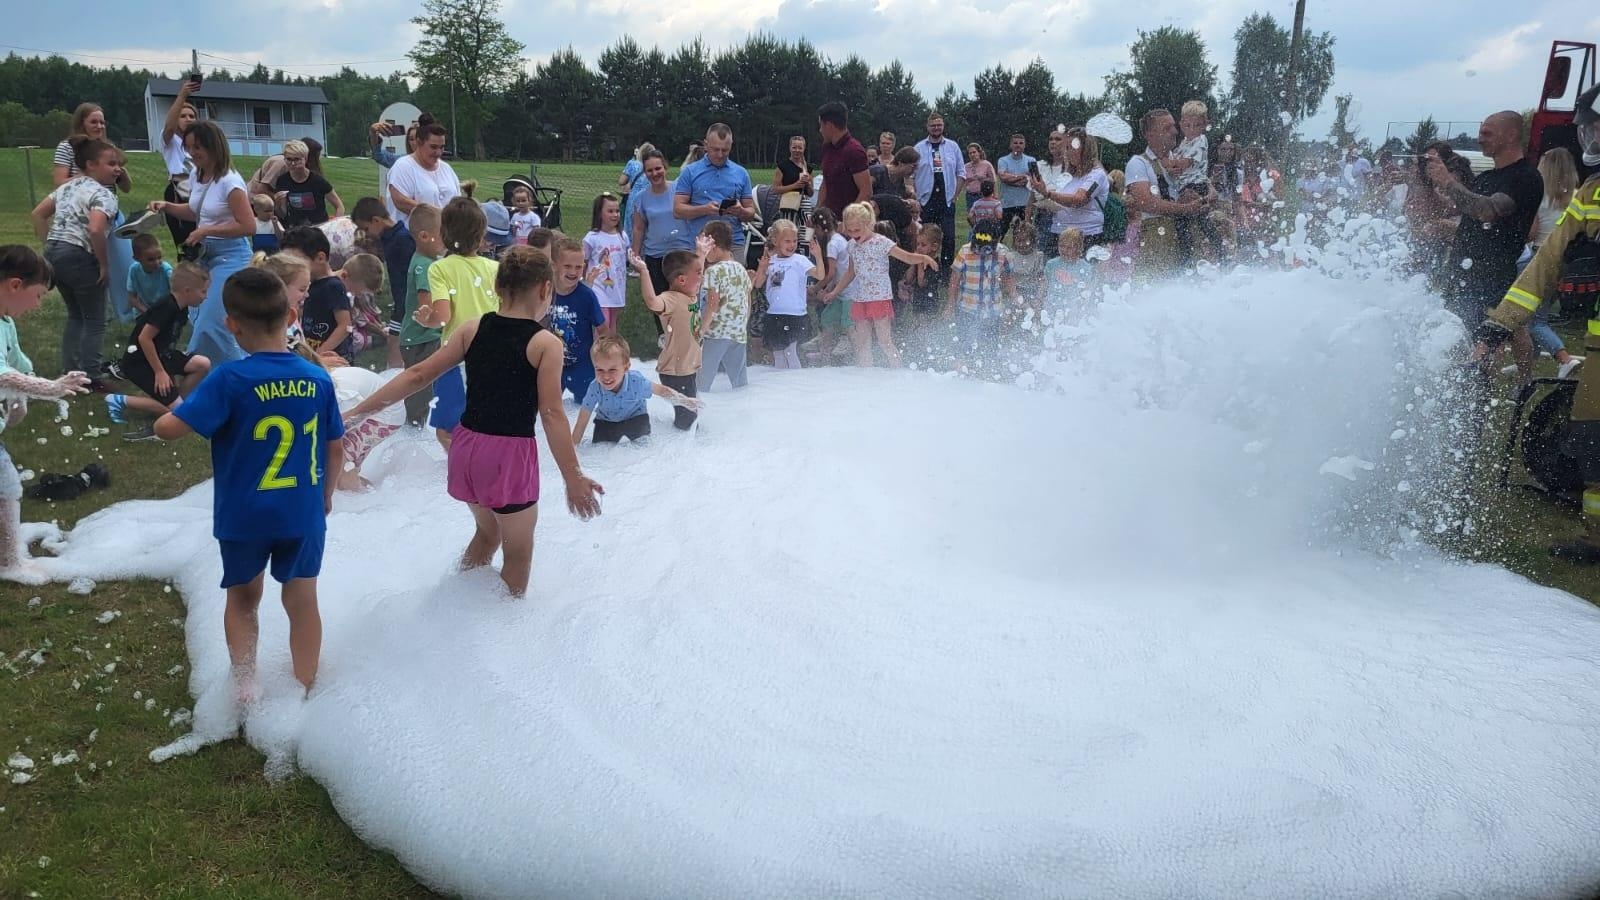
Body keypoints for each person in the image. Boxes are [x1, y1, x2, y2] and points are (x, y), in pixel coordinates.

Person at [344, 246, 604, 596]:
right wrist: (573, 477)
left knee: (487, 533)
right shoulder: (545, 343)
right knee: (518, 554)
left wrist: (356, 413)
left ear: (498, 287)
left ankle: (455, 604)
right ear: (545, 289)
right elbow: (553, 413)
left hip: (466, 448)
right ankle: (502, 631)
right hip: (509, 456)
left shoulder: (472, 328)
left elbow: (418, 374)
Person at [154, 267, 345, 697]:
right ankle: (306, 684)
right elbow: (335, 446)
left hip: (244, 512)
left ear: (232, 325)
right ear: (291, 313)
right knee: (302, 601)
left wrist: (169, 409)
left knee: (243, 599)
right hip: (302, 510)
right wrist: (326, 495)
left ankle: (244, 686)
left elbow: (169, 429)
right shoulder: (317, 378)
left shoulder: (228, 379)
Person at [1473, 83, 1600, 561]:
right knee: (1591, 437)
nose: (1592, 137)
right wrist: (1499, 324)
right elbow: (1544, 264)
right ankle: (1596, 539)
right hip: (1597, 348)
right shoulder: (1591, 191)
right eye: (1590, 128)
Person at [0, 246, 94, 584]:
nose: (38, 305)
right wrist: (51, 389)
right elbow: (3, 375)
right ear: (14, 285)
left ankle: (8, 558)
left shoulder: (5, 321)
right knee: (7, 486)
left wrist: (24, 395)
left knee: (7, 487)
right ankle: (9, 562)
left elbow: (20, 366)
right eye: (37, 296)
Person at [146, 120, 255, 365]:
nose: (192, 154)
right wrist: (167, 207)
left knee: (211, 320)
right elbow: (196, 210)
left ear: (213, 147)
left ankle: (212, 370)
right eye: (188, 147)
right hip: (204, 256)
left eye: (197, 148)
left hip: (231, 256)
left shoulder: (231, 182)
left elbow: (248, 226)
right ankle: (208, 369)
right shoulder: (198, 174)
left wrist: (207, 230)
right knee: (197, 315)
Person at [1428, 111, 1544, 335]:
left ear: (1511, 135)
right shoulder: (1485, 178)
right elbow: (1473, 220)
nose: (1480, 138)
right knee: (1453, 341)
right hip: (1461, 274)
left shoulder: (1525, 177)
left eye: (1487, 133)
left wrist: (1449, 183)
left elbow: (1487, 211)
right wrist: (1445, 225)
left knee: (1472, 346)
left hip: (1488, 281)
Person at [31, 136, 124, 379]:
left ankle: (71, 369)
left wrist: (49, 245)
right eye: (111, 163)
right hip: (80, 257)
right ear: (91, 164)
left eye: (119, 164)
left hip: (54, 252)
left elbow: (38, 214)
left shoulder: (66, 187)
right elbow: (95, 229)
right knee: (95, 319)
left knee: (75, 314)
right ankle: (92, 375)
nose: (118, 169)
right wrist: (103, 264)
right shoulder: (104, 194)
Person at [413, 197, 499, 448]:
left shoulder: (440, 268)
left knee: (447, 430)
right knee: (487, 424)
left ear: (443, 233)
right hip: (494, 356)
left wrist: (426, 320)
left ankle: (465, 475)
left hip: (456, 357)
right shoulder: (495, 268)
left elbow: (443, 317)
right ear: (482, 233)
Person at [104, 262, 212, 438]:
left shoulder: (182, 308)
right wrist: (160, 372)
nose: (205, 297)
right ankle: (120, 400)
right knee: (181, 416)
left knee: (202, 364)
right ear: (187, 290)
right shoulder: (166, 307)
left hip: (163, 354)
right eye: (203, 291)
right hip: (140, 362)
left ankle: (177, 403)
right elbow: (144, 338)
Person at [824, 202, 937, 368]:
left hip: (879, 297)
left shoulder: (881, 242)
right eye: (850, 230)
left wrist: (924, 258)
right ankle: (866, 374)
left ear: (868, 223)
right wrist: (835, 292)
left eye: (857, 230)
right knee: (863, 343)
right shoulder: (852, 246)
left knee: (884, 341)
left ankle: (898, 371)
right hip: (861, 298)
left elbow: (906, 257)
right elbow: (850, 272)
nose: (854, 234)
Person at [52, 103, 135, 325]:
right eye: (93, 121)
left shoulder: (108, 147)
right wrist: (89, 175)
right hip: (83, 215)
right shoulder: (68, 147)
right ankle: (98, 313)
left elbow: (126, 187)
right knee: (92, 265)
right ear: (81, 123)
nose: (99, 126)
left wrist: (120, 171)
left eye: (102, 121)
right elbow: (59, 181)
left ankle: (126, 312)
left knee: (124, 264)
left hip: (111, 213)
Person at [1124, 109, 1207, 281]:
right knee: (1153, 293)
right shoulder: (1138, 163)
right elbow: (1146, 202)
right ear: (1150, 134)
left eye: (1174, 127)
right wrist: (1185, 208)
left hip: (1189, 234)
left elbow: (1208, 186)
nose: (1175, 131)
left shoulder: (1184, 158)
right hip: (1158, 238)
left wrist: (1204, 198)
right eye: (1167, 128)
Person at [573, 335, 700, 445]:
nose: (605, 376)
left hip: (636, 418)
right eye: (599, 370)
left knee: (642, 446)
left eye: (612, 370)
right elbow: (582, 421)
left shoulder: (636, 381)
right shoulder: (595, 387)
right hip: (606, 420)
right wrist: (572, 449)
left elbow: (661, 391)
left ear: (626, 367)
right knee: (601, 449)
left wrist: (683, 400)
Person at [1523, 148, 1583, 379]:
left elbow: (1531, 233)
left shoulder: (1539, 195)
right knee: (1541, 313)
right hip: (1566, 260)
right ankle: (1530, 360)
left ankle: (1564, 358)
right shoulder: (1578, 196)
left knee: (1533, 320)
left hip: (1540, 256)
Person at [631, 248, 704, 430]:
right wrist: (644, 272)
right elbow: (651, 302)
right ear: (681, 280)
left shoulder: (690, 295)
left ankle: (689, 442)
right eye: (699, 274)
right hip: (675, 371)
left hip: (686, 368)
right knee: (688, 418)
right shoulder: (670, 299)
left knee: (690, 414)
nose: (702, 278)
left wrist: (701, 252)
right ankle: (679, 451)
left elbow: (693, 272)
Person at [674, 123, 757, 265]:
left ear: (731, 145)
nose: (720, 155)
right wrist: (704, 209)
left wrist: (740, 211)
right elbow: (678, 210)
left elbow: (751, 212)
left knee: (736, 286)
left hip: (733, 243)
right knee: (700, 286)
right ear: (706, 145)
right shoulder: (690, 172)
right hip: (702, 245)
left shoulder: (741, 173)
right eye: (715, 149)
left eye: (725, 150)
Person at [944, 218, 1017, 372]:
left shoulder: (1003, 253)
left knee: (989, 347)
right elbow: (954, 281)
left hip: (992, 310)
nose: (982, 251)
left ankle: (985, 375)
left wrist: (1014, 300)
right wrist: (949, 307)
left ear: (997, 240)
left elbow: (1008, 279)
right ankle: (961, 374)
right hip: (967, 308)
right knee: (963, 345)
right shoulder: (964, 251)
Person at [350, 196, 415, 369]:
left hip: (407, 303)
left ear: (376, 220)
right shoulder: (388, 238)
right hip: (401, 301)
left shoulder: (402, 240)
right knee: (396, 344)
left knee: (396, 346)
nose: (367, 233)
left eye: (366, 228)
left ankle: (395, 374)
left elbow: (411, 275)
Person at [630, 146, 689, 330]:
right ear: (645, 173)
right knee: (660, 302)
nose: (655, 173)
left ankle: (687, 338)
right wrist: (635, 254)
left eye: (658, 168)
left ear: (665, 167)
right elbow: (639, 228)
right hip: (656, 257)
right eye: (650, 170)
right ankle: (664, 337)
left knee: (685, 300)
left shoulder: (680, 190)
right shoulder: (641, 198)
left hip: (682, 256)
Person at [753, 219, 822, 371]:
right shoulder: (770, 261)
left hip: (795, 315)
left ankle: (796, 386)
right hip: (775, 314)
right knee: (778, 354)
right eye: (787, 241)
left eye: (795, 241)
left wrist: (818, 256)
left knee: (791, 352)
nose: (792, 245)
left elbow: (820, 275)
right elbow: (758, 284)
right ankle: (782, 388)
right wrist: (762, 268)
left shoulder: (800, 260)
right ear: (775, 241)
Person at [398, 203, 445, 426]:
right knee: (420, 391)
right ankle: (413, 430)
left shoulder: (425, 262)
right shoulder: (425, 266)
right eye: (442, 235)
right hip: (420, 338)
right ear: (425, 236)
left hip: (418, 337)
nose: (446, 239)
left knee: (423, 389)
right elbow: (426, 308)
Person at [279, 227, 353, 364]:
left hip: (334, 359)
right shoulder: (307, 284)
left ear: (320, 257)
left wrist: (317, 356)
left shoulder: (333, 286)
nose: (292, 267)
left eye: (297, 261)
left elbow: (345, 326)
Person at [549, 236, 607, 401]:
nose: (573, 272)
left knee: (585, 404)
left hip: (582, 363)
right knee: (549, 404)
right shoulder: (544, 291)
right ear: (554, 266)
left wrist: (604, 357)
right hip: (551, 362)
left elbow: (602, 329)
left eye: (578, 267)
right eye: (567, 266)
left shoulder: (586, 296)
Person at [697, 220, 752, 391]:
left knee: (702, 381)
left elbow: (712, 304)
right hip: (738, 331)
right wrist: (743, 324)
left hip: (717, 332)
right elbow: (748, 300)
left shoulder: (713, 271)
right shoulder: (741, 269)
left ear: (712, 246)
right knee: (740, 382)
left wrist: (701, 330)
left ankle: (698, 414)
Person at [388, 114, 462, 229]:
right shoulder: (403, 167)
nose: (438, 152)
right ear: (419, 142)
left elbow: (458, 201)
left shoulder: (446, 168)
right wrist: (442, 215)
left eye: (441, 147)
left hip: (445, 239)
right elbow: (401, 202)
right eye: (433, 147)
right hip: (412, 241)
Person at [913, 113, 962, 268]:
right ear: (927, 127)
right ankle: (925, 268)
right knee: (926, 237)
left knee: (948, 237)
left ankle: (946, 271)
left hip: (946, 200)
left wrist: (955, 196)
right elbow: (911, 175)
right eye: (933, 125)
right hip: (926, 200)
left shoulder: (952, 146)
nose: (936, 128)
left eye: (939, 125)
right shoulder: (919, 148)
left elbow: (961, 173)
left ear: (943, 126)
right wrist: (915, 198)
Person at [159, 79, 200, 248]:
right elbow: (169, 127)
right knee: (186, 242)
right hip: (179, 190)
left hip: (199, 188)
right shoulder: (171, 141)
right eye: (183, 116)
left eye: (192, 116)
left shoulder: (200, 145)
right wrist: (183, 95)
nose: (188, 119)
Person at [583, 192, 631, 333]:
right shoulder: (592, 238)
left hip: (617, 290)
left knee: (613, 326)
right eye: (610, 211)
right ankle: (597, 353)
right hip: (598, 289)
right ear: (599, 214)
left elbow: (625, 258)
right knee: (603, 325)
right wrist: (584, 284)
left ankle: (612, 353)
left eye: (617, 211)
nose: (615, 214)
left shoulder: (623, 236)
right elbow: (583, 261)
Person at [818, 102, 872, 219]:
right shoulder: (827, 147)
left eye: (821, 125)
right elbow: (825, 182)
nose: (820, 130)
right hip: (829, 219)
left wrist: (848, 220)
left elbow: (866, 191)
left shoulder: (854, 151)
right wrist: (817, 212)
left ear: (829, 125)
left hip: (850, 223)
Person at [273, 140, 343, 227]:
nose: (293, 163)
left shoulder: (317, 181)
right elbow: (283, 214)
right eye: (289, 159)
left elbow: (339, 206)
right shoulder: (282, 181)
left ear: (305, 159)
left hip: (318, 229)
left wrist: (333, 226)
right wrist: (277, 204)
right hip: (296, 230)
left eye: (297, 159)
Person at [1044, 227, 1095, 321]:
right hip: (1052, 306)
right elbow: (1044, 285)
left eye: (1069, 247)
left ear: (1078, 248)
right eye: (1062, 246)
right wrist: (1039, 301)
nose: (1064, 250)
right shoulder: (1051, 264)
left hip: (1073, 309)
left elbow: (1087, 291)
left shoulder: (1085, 268)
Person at [996, 134, 1035, 240]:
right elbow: (1003, 177)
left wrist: (1011, 180)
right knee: (1000, 234)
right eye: (1015, 143)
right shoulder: (1003, 160)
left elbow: (1032, 179)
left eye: (1021, 143)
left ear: (1024, 145)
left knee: (1025, 233)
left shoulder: (1031, 160)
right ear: (1010, 145)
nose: (1018, 145)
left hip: (1025, 204)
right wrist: (1022, 176)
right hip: (1007, 204)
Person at [126, 233, 170, 317]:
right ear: (137, 258)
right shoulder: (134, 270)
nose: (157, 263)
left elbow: (176, 295)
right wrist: (147, 312)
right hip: (144, 311)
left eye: (159, 257)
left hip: (166, 310)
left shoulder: (166, 270)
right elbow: (131, 298)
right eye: (151, 259)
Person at [774, 134, 814, 225]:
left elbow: (811, 193)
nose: (797, 150)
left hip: (805, 207)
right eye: (794, 147)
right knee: (790, 231)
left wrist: (807, 184)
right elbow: (775, 189)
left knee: (805, 233)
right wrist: (794, 186)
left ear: (804, 149)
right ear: (790, 148)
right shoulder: (782, 166)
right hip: (789, 204)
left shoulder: (808, 168)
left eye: (800, 148)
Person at [618, 143, 652, 237]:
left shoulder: (632, 164)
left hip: (634, 198)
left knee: (631, 226)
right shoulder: (653, 165)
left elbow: (621, 181)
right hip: (650, 197)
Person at [961, 143, 997, 218]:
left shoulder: (987, 165)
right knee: (971, 217)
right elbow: (963, 181)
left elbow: (993, 181)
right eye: (970, 153)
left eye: (974, 152)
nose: (972, 155)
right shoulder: (966, 167)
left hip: (984, 195)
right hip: (971, 196)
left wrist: (995, 195)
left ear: (979, 153)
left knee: (985, 217)